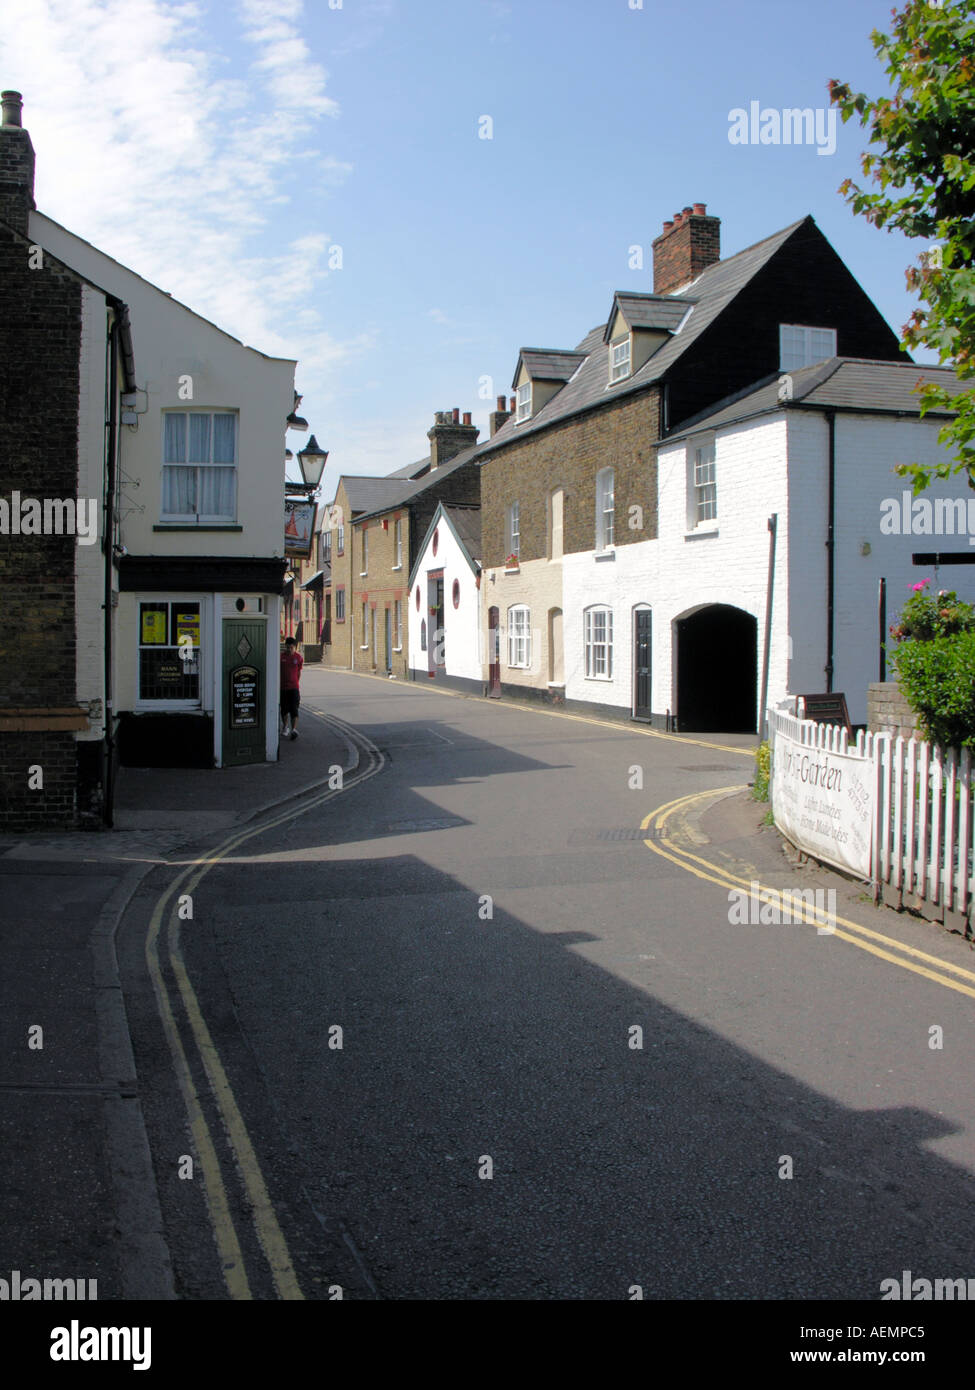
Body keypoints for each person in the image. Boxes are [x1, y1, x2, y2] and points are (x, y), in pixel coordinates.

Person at [280, 636, 303, 741]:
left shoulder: (298, 658)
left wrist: (296, 683)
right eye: (287, 647)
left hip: (294, 688)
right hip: (283, 688)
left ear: (295, 647)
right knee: (284, 710)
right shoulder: (281, 657)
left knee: (294, 709)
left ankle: (294, 729)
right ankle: (285, 727)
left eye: (291, 647)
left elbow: (298, 672)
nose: (289, 649)